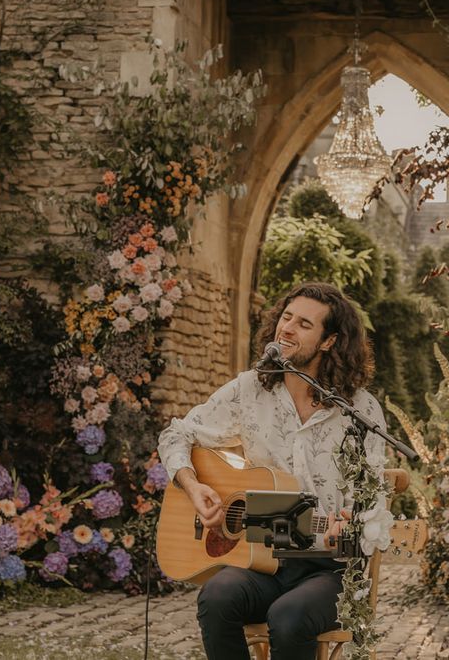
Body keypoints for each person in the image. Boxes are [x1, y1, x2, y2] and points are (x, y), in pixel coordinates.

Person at [157, 282, 387, 660]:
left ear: (329, 341)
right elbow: (176, 433)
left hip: (329, 570)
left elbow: (371, 498)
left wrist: (349, 523)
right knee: (216, 597)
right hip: (261, 561)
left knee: (289, 617)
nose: (287, 329)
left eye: (304, 325)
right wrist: (192, 486)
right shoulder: (250, 390)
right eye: (286, 317)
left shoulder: (359, 410)